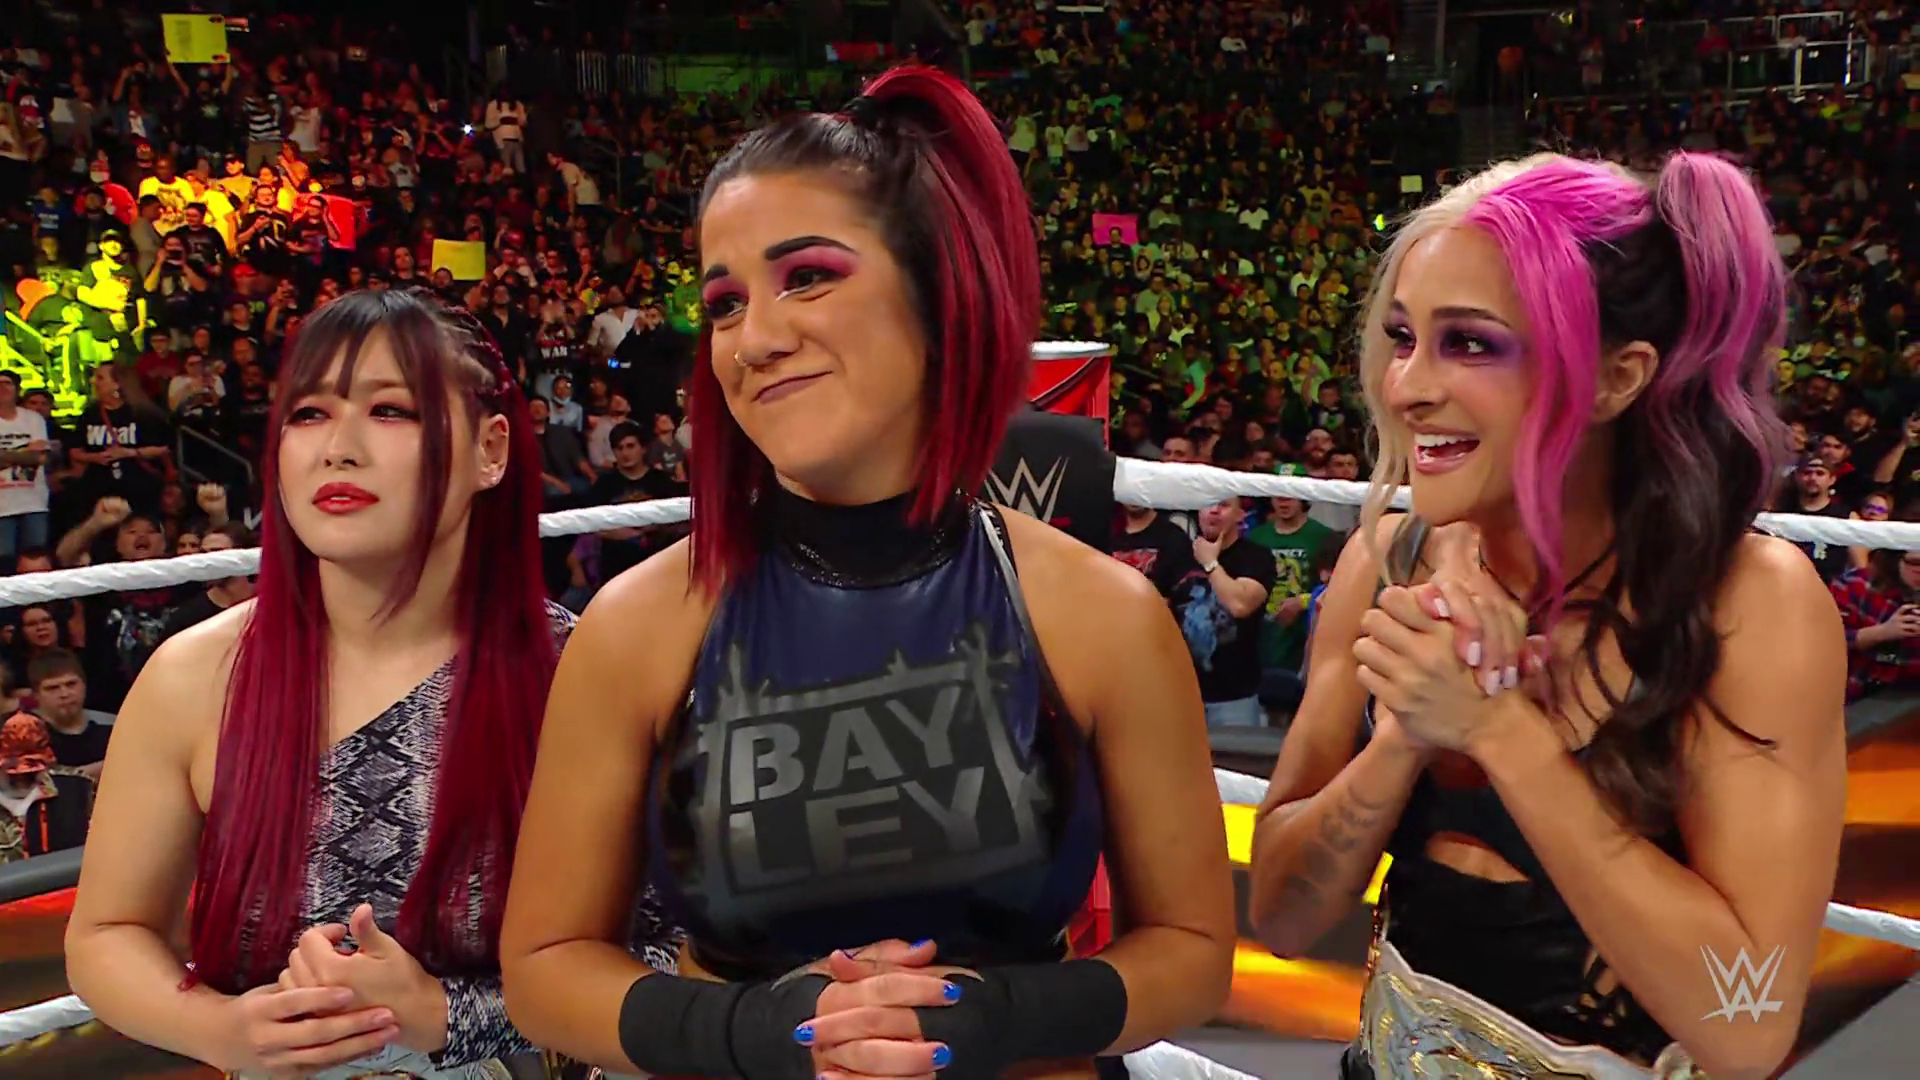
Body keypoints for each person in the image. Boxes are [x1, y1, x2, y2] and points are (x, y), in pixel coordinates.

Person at [500, 65, 1235, 1080]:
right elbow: (544, 967)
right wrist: (757, 1033)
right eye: (725, 303)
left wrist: (995, 1015)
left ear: (937, 294)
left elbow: (1192, 955)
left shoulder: (1101, 613)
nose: (756, 339)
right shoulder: (638, 623)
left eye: (807, 276)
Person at [1247, 153, 1847, 1080]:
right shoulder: (1387, 564)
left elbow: (1748, 1026)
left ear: (1616, 378)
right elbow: (1283, 920)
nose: (1407, 387)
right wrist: (1404, 736)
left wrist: (1496, 729)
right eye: (1403, 337)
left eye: (1470, 344)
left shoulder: (1746, 604)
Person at [64, 289, 660, 1079]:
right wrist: (222, 1028)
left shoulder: (583, 673)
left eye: (390, 411)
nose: (338, 449)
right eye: (309, 414)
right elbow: (107, 933)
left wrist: (451, 1017)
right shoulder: (193, 676)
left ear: (491, 449)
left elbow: (676, 953)